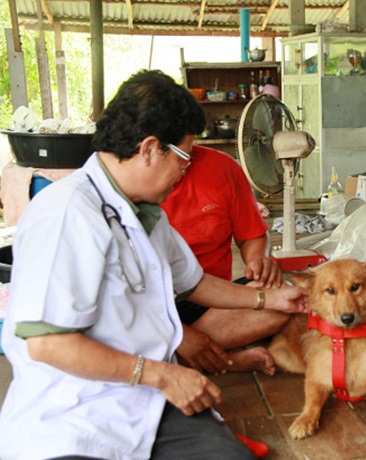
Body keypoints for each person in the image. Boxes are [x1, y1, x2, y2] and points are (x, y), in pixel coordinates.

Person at [0, 69, 308, 460]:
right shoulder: (66, 213)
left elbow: (195, 284)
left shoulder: (146, 214)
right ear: (149, 149)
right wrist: (162, 374)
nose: (186, 169)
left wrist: (271, 301)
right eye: (184, 156)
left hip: (143, 401)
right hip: (75, 411)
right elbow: (47, 344)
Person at [161, 144, 287, 376]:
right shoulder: (138, 190)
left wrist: (258, 260)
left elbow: (252, 234)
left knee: (282, 298)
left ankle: (190, 354)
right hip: (153, 306)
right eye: (179, 156)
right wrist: (181, 336)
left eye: (188, 153)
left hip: (214, 301)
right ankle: (221, 358)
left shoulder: (222, 167)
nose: (184, 164)